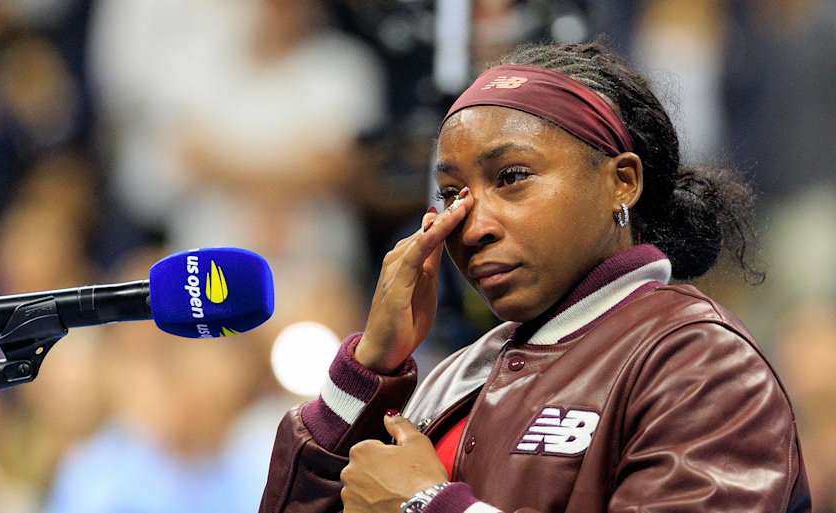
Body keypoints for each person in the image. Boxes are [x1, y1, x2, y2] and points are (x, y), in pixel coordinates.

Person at [259, 41, 810, 513]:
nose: (471, 226)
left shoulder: (700, 362)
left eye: (512, 177)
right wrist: (368, 368)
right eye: (453, 194)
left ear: (622, 181)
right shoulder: (457, 376)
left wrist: (428, 503)